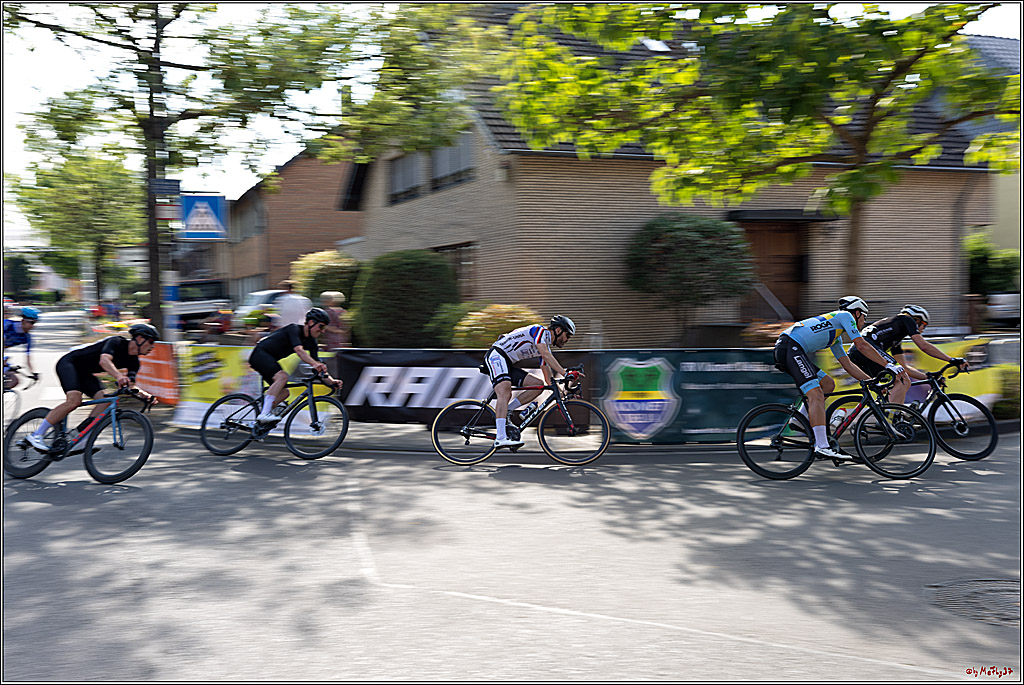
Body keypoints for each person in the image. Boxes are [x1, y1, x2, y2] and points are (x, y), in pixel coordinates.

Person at [774, 296, 908, 460]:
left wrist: (871, 382)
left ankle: (799, 419)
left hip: (791, 348)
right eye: (864, 317)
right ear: (857, 313)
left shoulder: (834, 335)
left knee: (828, 384)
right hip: (790, 347)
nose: (864, 322)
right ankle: (822, 446)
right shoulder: (844, 316)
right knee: (815, 394)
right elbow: (862, 345)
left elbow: (848, 365)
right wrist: (888, 365)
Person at [26, 323, 159, 452]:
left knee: (106, 401)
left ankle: (80, 437)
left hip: (85, 373)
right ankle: (37, 435)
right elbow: (104, 361)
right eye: (151, 342)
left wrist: (144, 395)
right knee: (74, 400)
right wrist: (119, 376)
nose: (152, 347)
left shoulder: (134, 362)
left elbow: (131, 385)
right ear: (140, 338)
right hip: (70, 363)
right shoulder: (117, 342)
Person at [484, 314, 579, 449]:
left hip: (507, 362)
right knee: (505, 393)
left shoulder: (544, 346)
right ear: (558, 330)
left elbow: (548, 378)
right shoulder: (539, 331)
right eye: (567, 336)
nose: (567, 340)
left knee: (538, 386)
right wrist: (566, 373)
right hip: (497, 356)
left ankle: (508, 410)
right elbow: (546, 355)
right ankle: (500, 438)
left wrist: (562, 392)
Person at [845, 304, 968, 408]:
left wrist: (928, 377)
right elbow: (923, 346)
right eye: (924, 324)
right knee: (902, 379)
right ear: (917, 320)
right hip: (866, 348)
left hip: (857, 352)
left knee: (889, 387)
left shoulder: (895, 336)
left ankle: (860, 420)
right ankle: (891, 417)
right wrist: (952, 360)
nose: (923, 329)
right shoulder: (905, 319)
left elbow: (905, 368)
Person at [248, 307, 343, 424]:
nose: (322, 331)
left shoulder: (312, 342)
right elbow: (299, 351)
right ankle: (264, 414)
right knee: (282, 377)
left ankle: (258, 422)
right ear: (311, 322)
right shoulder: (294, 329)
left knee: (284, 393)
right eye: (321, 327)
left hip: (270, 359)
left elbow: (319, 367)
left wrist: (331, 381)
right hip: (260, 354)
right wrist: (314, 364)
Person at [3, 306, 40, 389]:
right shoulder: (7, 325)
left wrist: (33, 373)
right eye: (31, 323)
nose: (33, 326)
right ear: (23, 321)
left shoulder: (27, 337)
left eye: (35, 323)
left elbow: (28, 359)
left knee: (14, 380)